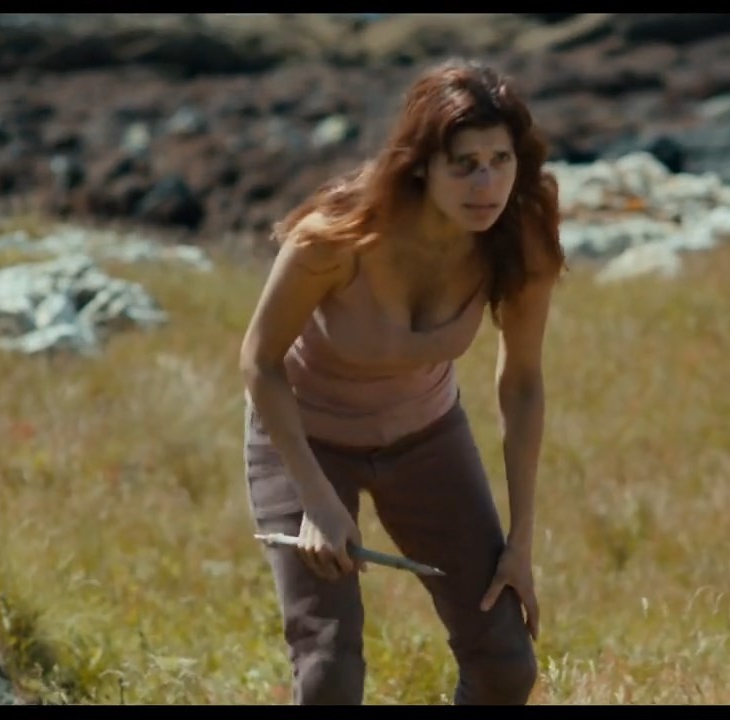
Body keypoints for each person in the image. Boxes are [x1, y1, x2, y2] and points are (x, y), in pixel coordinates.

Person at [237, 58, 566, 705]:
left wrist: (520, 542)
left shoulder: (520, 238)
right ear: (422, 166)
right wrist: (316, 501)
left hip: (426, 437)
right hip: (307, 441)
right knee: (329, 674)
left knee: (505, 665)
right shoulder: (335, 237)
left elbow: (522, 383)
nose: (486, 184)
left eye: (500, 160)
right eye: (464, 164)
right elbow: (259, 360)